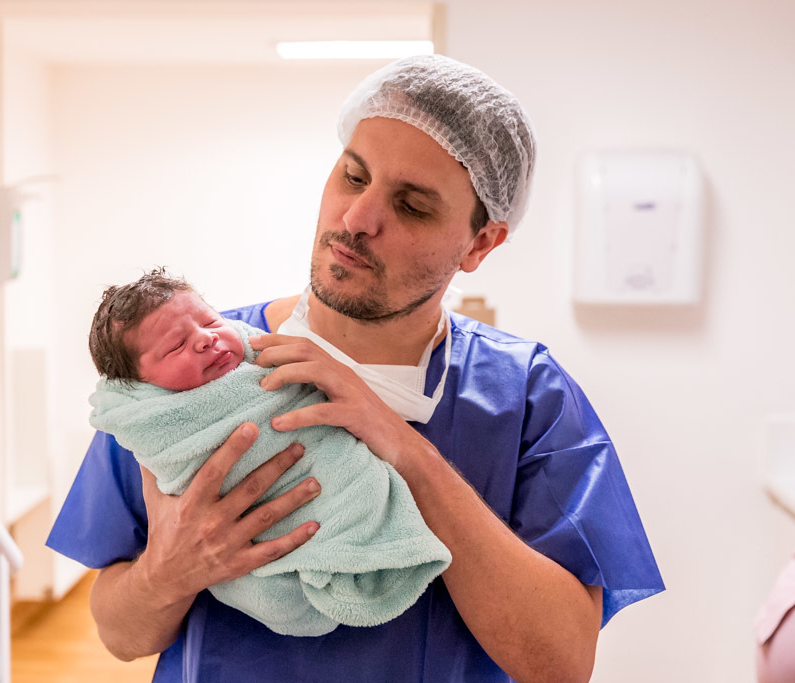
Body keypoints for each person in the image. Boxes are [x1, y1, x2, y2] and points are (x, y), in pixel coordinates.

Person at [47, 54, 664, 683]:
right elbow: (120, 634)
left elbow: (561, 663)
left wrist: (400, 446)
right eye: (353, 175)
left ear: (480, 243)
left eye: (413, 206)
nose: (357, 219)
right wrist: (167, 573)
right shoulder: (187, 379)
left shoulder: (527, 398)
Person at [84, 271, 451, 637]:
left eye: (211, 321)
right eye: (176, 345)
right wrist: (162, 575)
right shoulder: (146, 428)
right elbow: (117, 636)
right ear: (139, 385)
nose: (206, 338)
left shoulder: (271, 352)